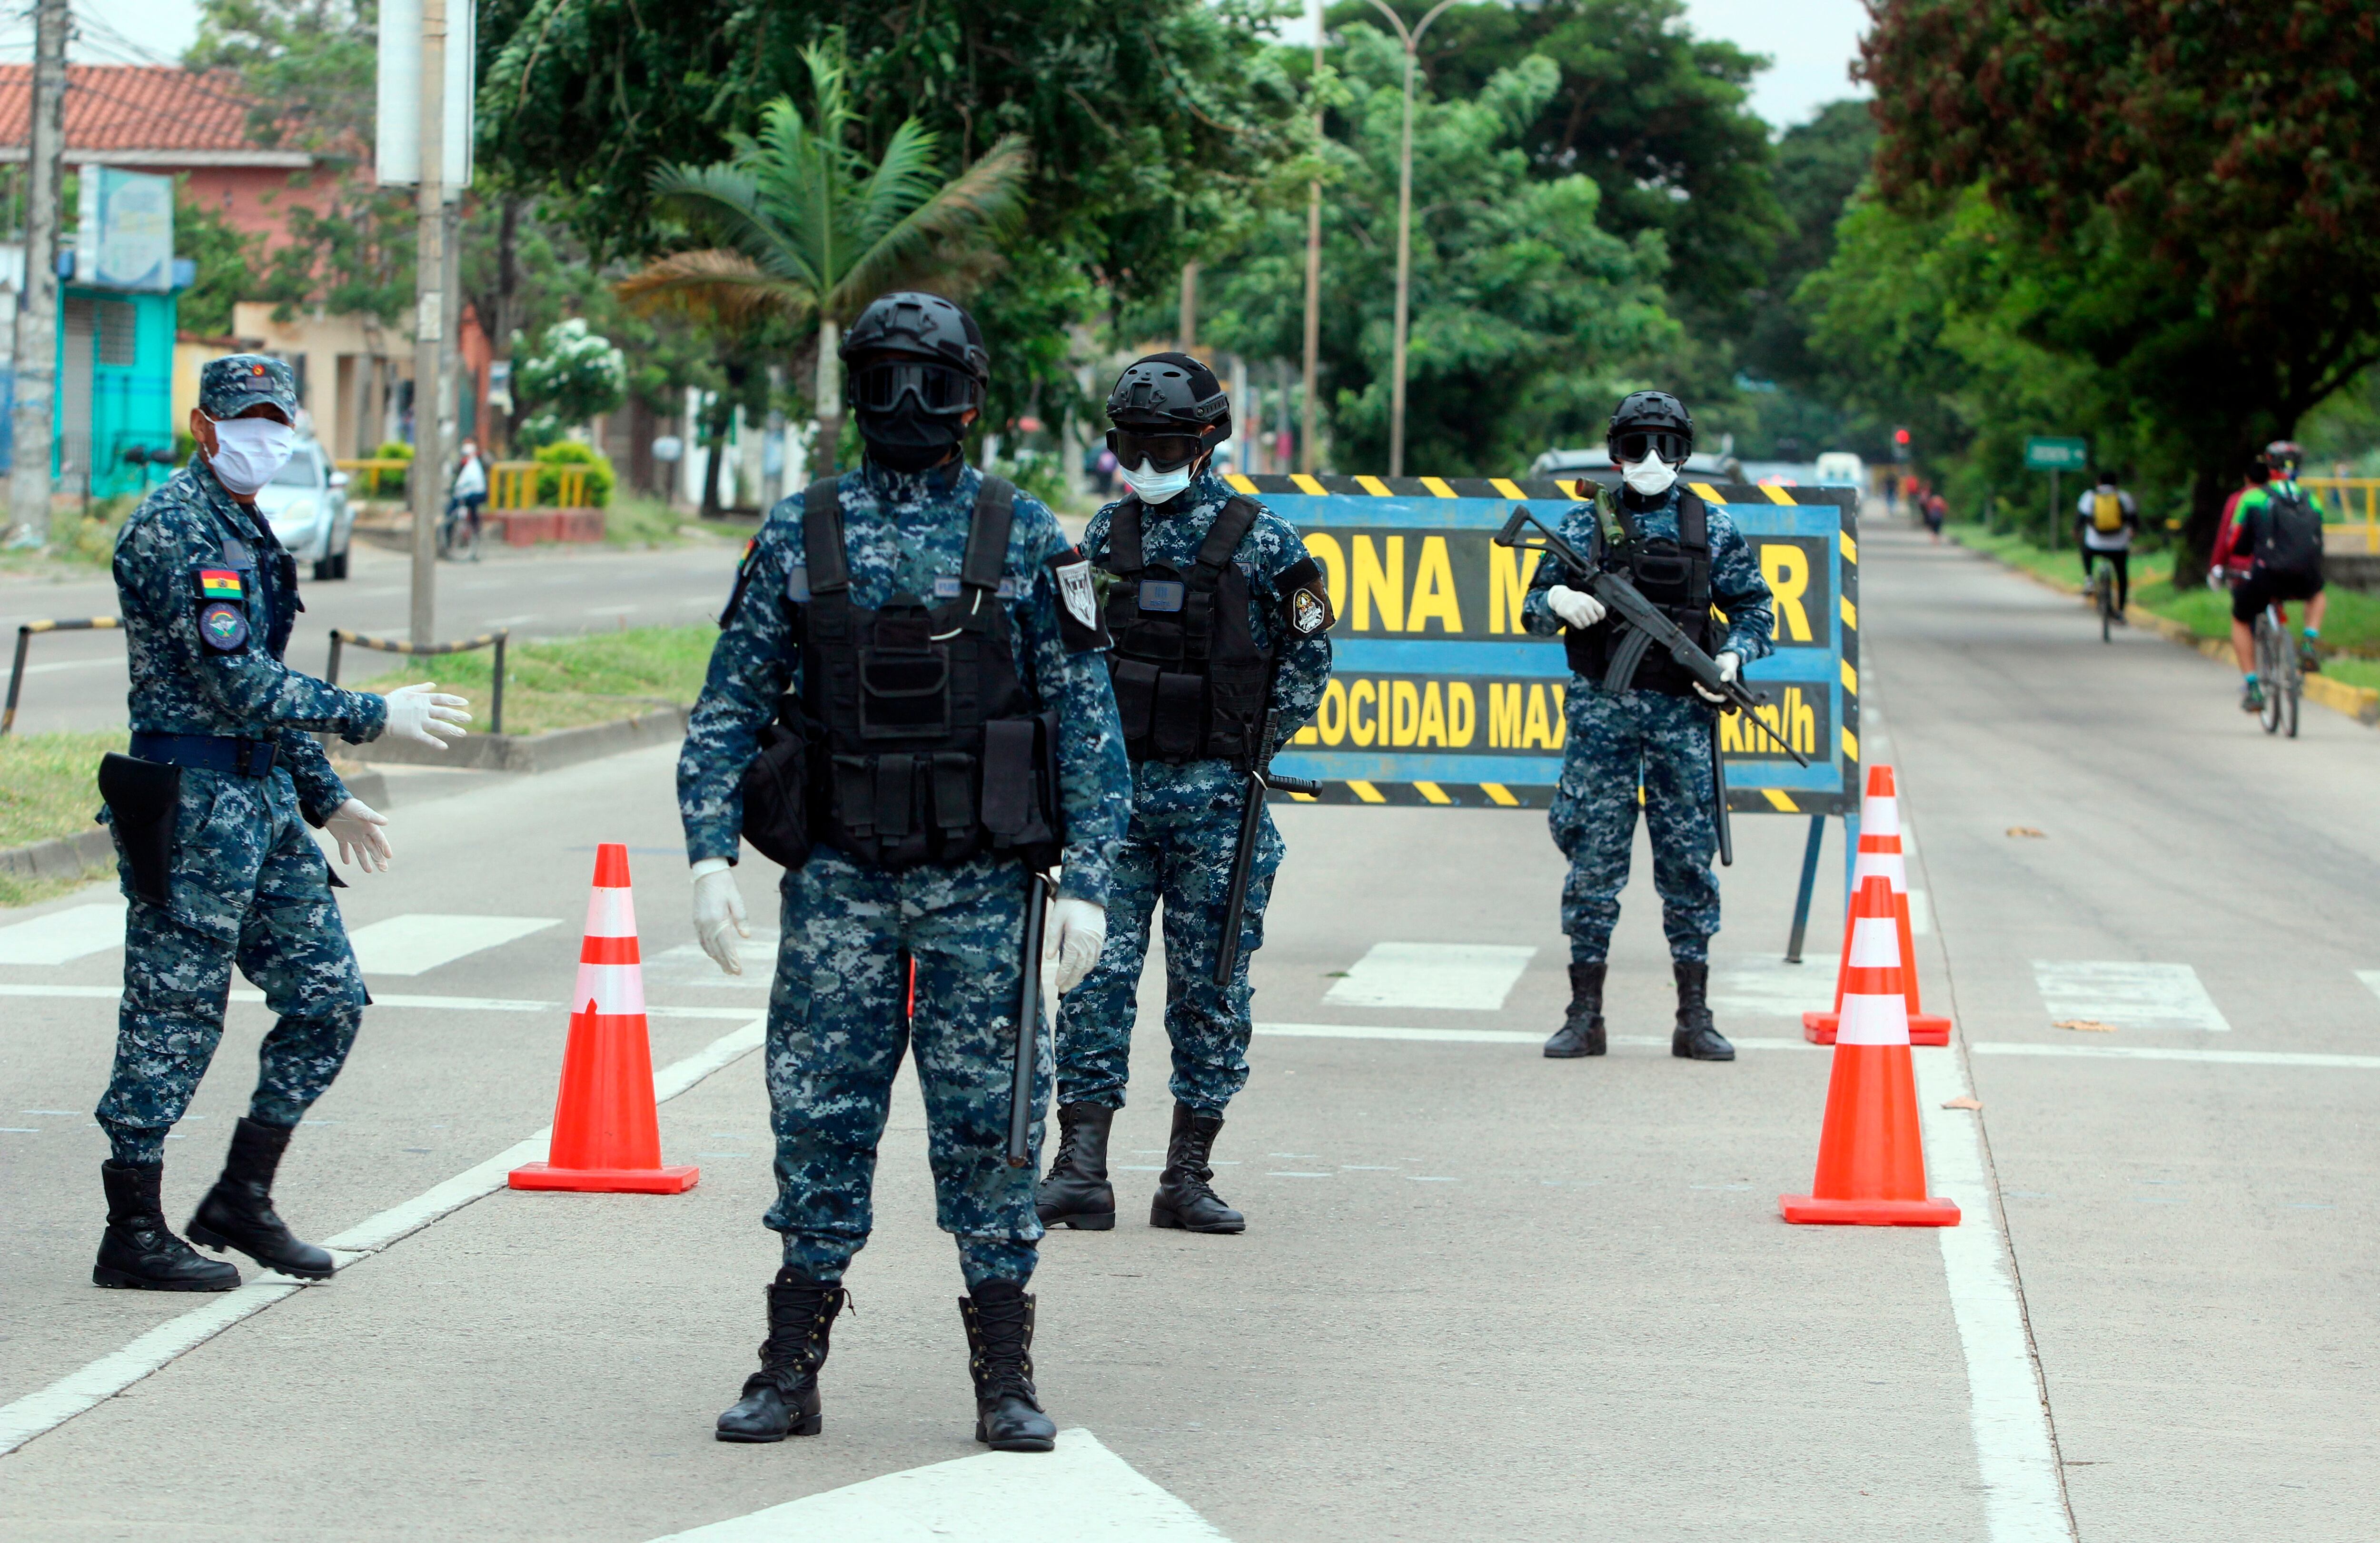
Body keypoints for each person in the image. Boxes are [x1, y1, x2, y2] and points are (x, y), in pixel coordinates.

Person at [676, 291, 1130, 1453]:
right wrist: (707, 853)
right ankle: (790, 1370)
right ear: (857, 387)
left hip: (981, 884)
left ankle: (1005, 1381)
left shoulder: (1026, 533)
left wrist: (1089, 877)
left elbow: (1086, 716)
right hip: (838, 882)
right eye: (883, 378)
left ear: (972, 394)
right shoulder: (798, 529)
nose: (908, 405)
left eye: (930, 381)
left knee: (990, 1129)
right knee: (819, 1117)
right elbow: (728, 706)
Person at [93, 355, 470, 1293]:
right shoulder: (175, 528)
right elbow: (233, 682)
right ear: (203, 425)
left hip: (259, 804)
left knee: (328, 999)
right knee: (172, 1020)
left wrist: (321, 791)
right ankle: (131, 1230)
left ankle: (241, 1199)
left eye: (277, 420)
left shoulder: (248, 529)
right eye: (244, 419)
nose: (263, 436)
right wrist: (370, 713)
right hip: (188, 805)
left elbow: (260, 692)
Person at [1034, 354, 1334, 1237]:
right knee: (1091, 982)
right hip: (1115, 809)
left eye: (1162, 443)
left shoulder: (1267, 541)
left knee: (1210, 991)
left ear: (1204, 442)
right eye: (1132, 442)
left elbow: (1309, 659)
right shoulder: (1101, 534)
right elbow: (1073, 651)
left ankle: (1187, 1176)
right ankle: (1081, 1170)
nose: (1146, 459)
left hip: (1218, 808)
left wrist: (1247, 750)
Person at [1525, 390, 1775, 1062]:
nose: (1652, 459)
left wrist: (1729, 655)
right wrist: (1558, 597)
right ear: (1616, 451)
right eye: (1638, 445)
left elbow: (1756, 610)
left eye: (1666, 446)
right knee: (1592, 864)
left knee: (1688, 864)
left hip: (1683, 723)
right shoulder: (1584, 528)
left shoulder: (1711, 528)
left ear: (1685, 453)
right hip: (1601, 722)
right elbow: (1531, 606)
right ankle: (1585, 1015)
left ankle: (1694, 1016)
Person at [2215, 439, 2328, 709]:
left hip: (2265, 576)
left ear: (2269, 466)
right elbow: (2318, 542)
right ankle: (2310, 642)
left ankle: (2253, 687)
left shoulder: (2254, 497)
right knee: (2317, 594)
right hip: (2303, 576)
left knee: (2241, 618)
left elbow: (2235, 542)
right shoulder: (2312, 499)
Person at [2074, 470, 2139, 613]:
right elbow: (2134, 521)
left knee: (2085, 549)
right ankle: (2121, 611)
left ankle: (2089, 579)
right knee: (2122, 574)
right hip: (2119, 545)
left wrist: (2076, 532)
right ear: (2117, 484)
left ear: (2098, 483)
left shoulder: (2090, 496)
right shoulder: (2124, 497)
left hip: (2095, 545)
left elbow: (2080, 520)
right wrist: (2133, 533)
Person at [447, 438, 487, 557]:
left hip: (472, 494)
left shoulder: (474, 465)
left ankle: (472, 533)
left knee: (455, 511)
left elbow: (472, 482)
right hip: (466, 494)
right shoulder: (467, 465)